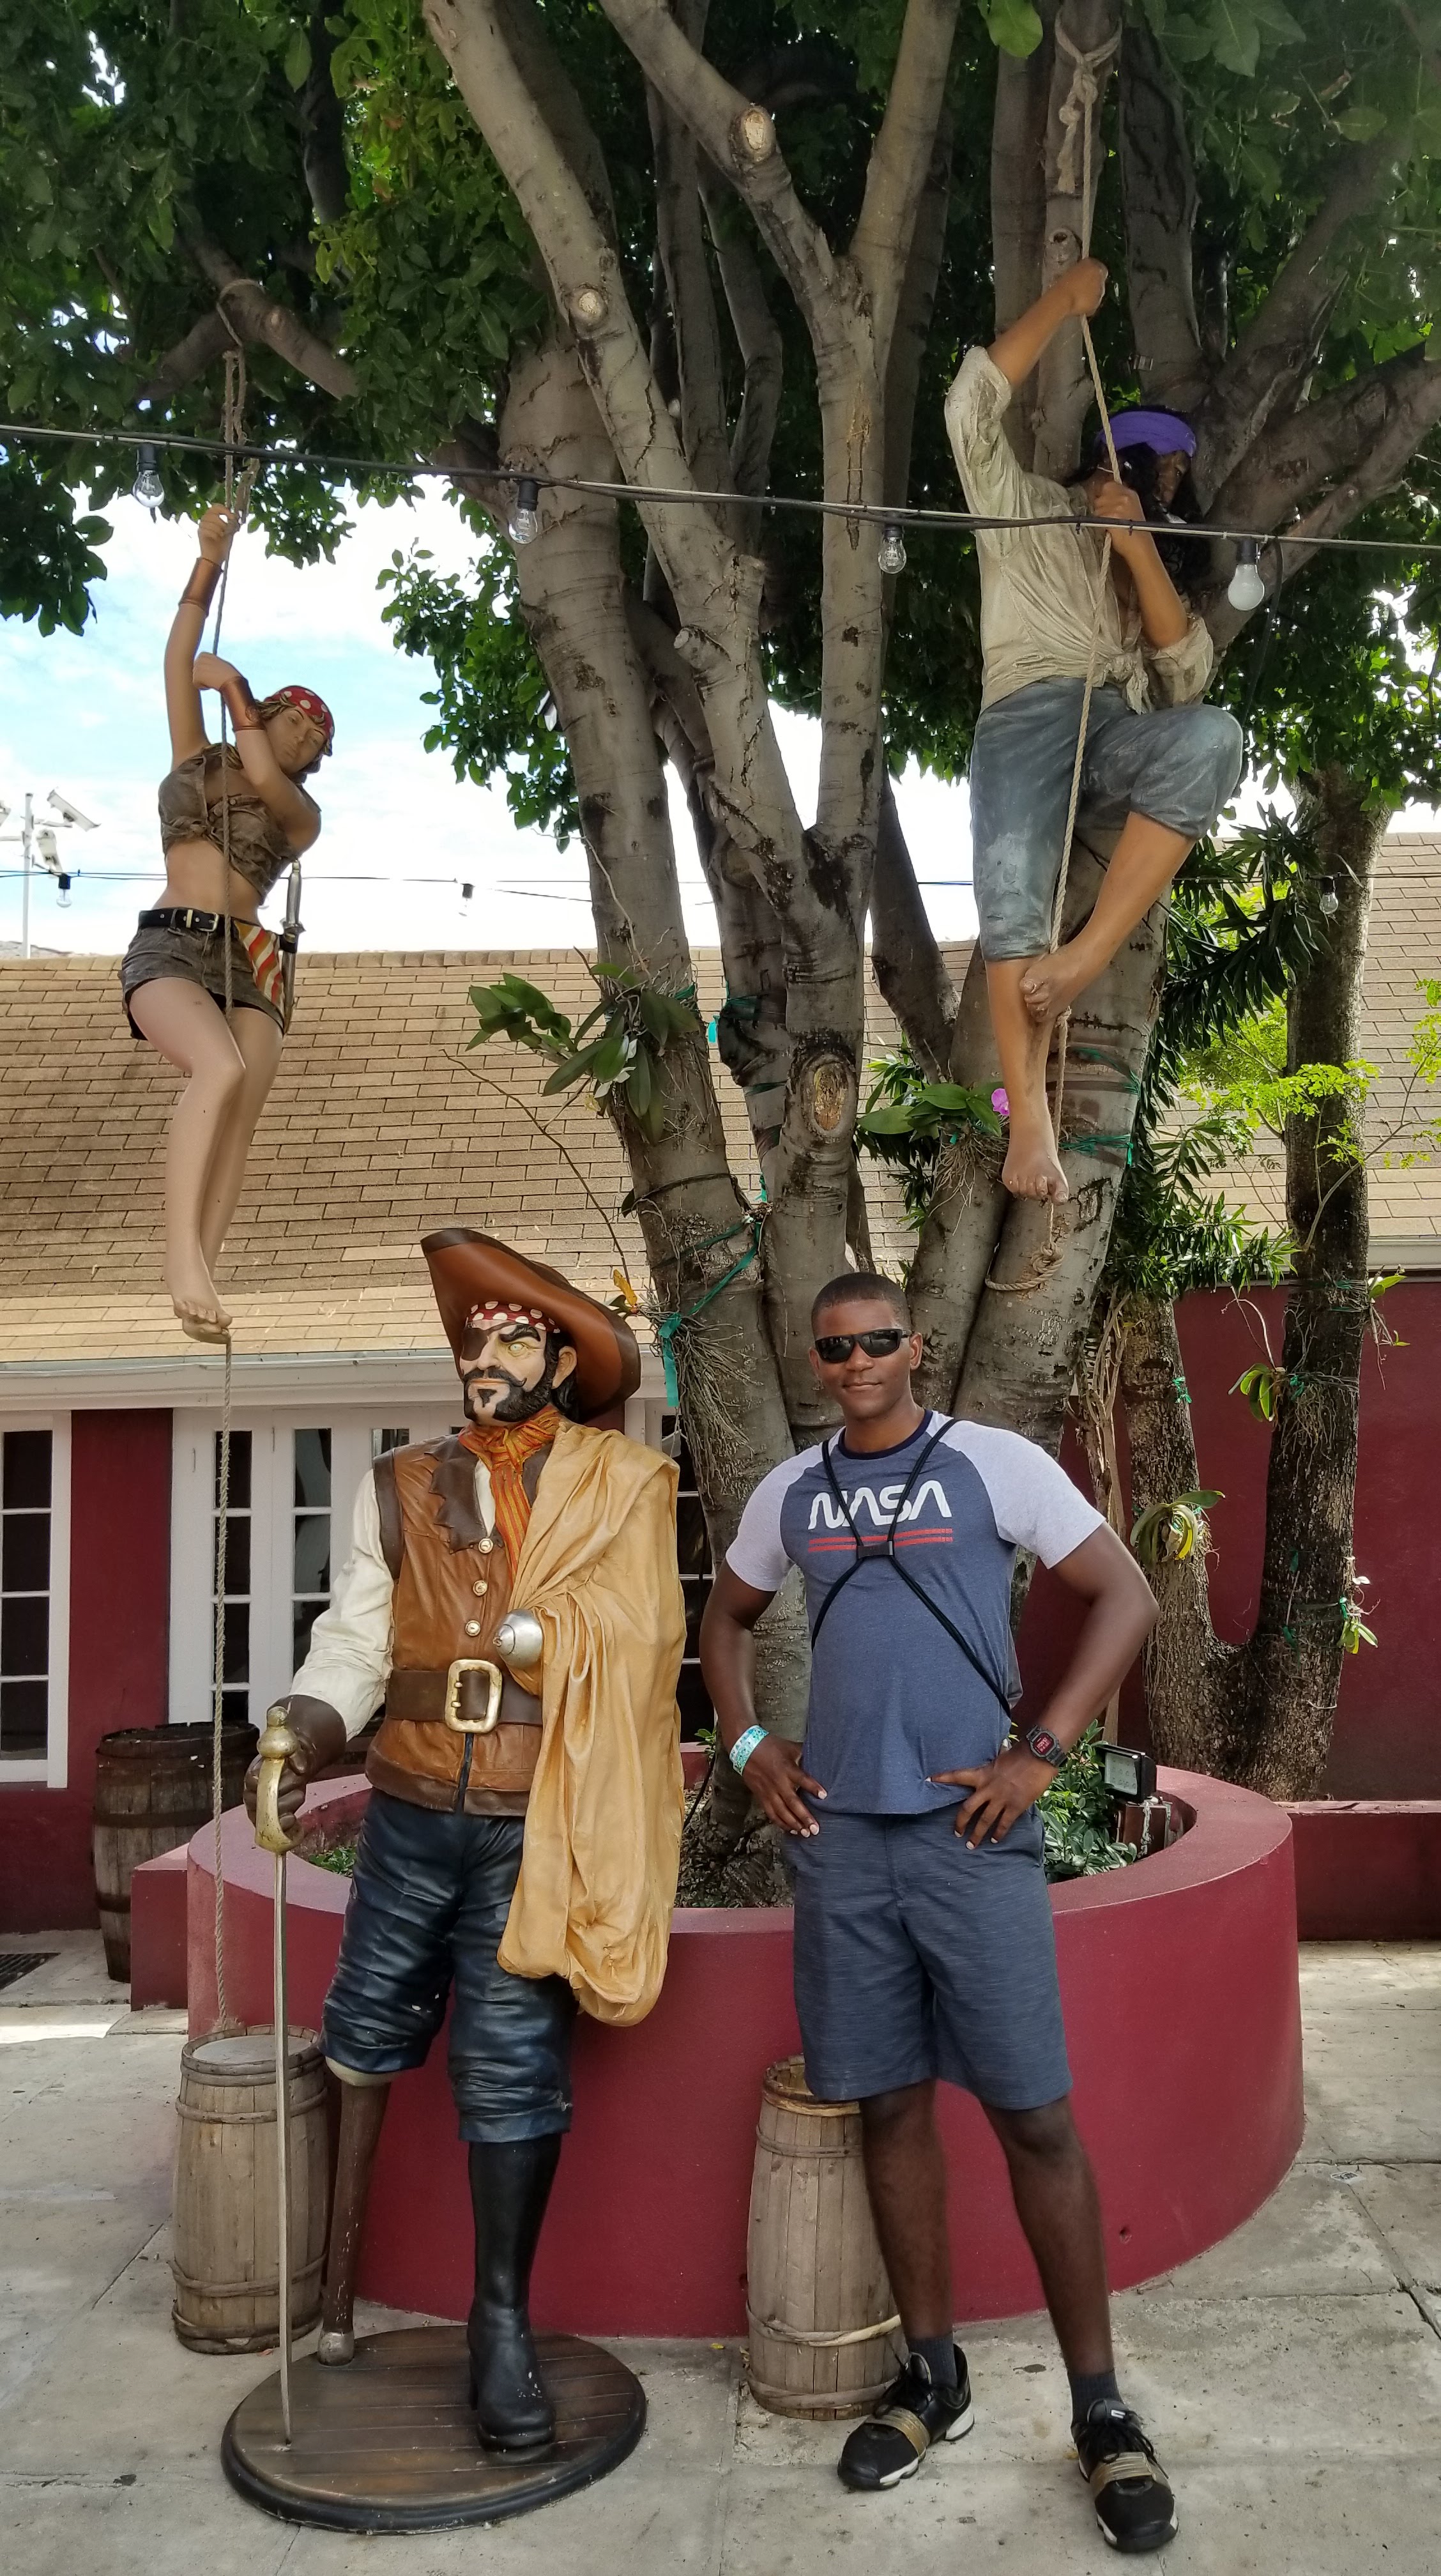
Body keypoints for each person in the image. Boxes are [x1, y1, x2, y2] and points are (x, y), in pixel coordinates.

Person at [699, 1273, 1176, 2555]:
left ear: (917, 1346)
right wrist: (746, 1742)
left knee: (1035, 2116)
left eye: (876, 1341)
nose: (855, 1362)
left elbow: (1127, 1595)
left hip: (972, 1839)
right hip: (841, 1847)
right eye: (833, 1347)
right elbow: (724, 1619)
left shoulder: (993, 1464)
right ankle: (933, 2379)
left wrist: (1041, 1754)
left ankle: (1101, 2409)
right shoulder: (790, 1492)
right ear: (815, 1361)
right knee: (888, 2104)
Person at [245, 1229, 686, 2453]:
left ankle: (500, 2322)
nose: (482, 1359)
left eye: (511, 1339)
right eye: (471, 1342)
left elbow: (650, 1639)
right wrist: (302, 1728)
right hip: (407, 1807)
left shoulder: (624, 1484)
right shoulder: (399, 1481)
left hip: (534, 1821)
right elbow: (358, 1637)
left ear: (564, 1361)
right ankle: (333, 2295)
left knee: (508, 2065)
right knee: (363, 2031)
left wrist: (555, 1640)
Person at [945, 257, 1243, 1206]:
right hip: (1024, 710)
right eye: (1156, 467)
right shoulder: (1028, 506)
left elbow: (1186, 676)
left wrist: (1138, 547)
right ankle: (1027, 1120)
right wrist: (1062, 303)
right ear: (1110, 460)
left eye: (1174, 481)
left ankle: (1087, 957)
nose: (1166, 482)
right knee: (1011, 897)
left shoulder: (1142, 563)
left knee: (1215, 738)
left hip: (1115, 724)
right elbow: (967, 410)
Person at [119, 502, 334, 1341]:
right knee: (216, 1069)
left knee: (240, 1108)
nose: (304, 739)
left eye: (315, 739)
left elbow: (265, 773)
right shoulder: (195, 761)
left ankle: (202, 1272)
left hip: (252, 957)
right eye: (297, 720)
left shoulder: (299, 814)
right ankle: (181, 1257)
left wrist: (236, 687)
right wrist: (209, 556)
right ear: (275, 714)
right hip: (173, 941)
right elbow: (178, 661)